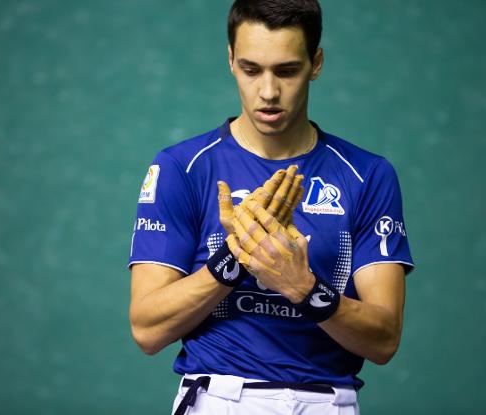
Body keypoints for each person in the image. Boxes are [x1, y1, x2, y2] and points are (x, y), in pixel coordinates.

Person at [128, 1, 414, 414]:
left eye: (286, 71)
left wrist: (302, 287)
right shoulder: (182, 168)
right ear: (230, 60)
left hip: (328, 403)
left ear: (316, 64)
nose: (268, 92)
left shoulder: (367, 175)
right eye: (251, 69)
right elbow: (147, 329)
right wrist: (235, 257)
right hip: (219, 400)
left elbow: (384, 340)